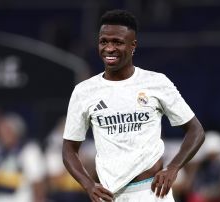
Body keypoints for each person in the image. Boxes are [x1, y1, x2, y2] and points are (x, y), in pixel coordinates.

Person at [62, 9, 205, 202]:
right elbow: (69, 149)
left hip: (152, 192)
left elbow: (196, 131)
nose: (109, 48)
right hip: (110, 195)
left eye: (117, 42)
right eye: (104, 41)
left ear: (133, 45)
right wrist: (88, 185)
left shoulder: (156, 82)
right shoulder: (84, 91)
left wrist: (173, 168)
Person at [0, 113, 46, 202]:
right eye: (0, 131)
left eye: (7, 130)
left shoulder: (29, 151)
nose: (2, 134)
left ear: (16, 131)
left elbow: (38, 184)